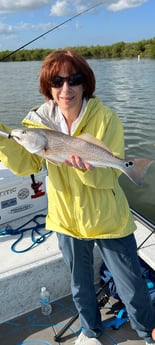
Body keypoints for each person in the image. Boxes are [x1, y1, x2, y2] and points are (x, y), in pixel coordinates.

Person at [0, 49, 155, 345]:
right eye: (57, 81)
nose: (65, 89)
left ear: (86, 83)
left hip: (108, 218)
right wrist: (4, 138)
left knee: (132, 284)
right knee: (80, 285)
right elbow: (26, 164)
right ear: (49, 86)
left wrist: (87, 170)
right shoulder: (35, 123)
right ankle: (89, 330)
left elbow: (109, 176)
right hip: (66, 220)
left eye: (74, 79)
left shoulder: (105, 118)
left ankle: (147, 333)